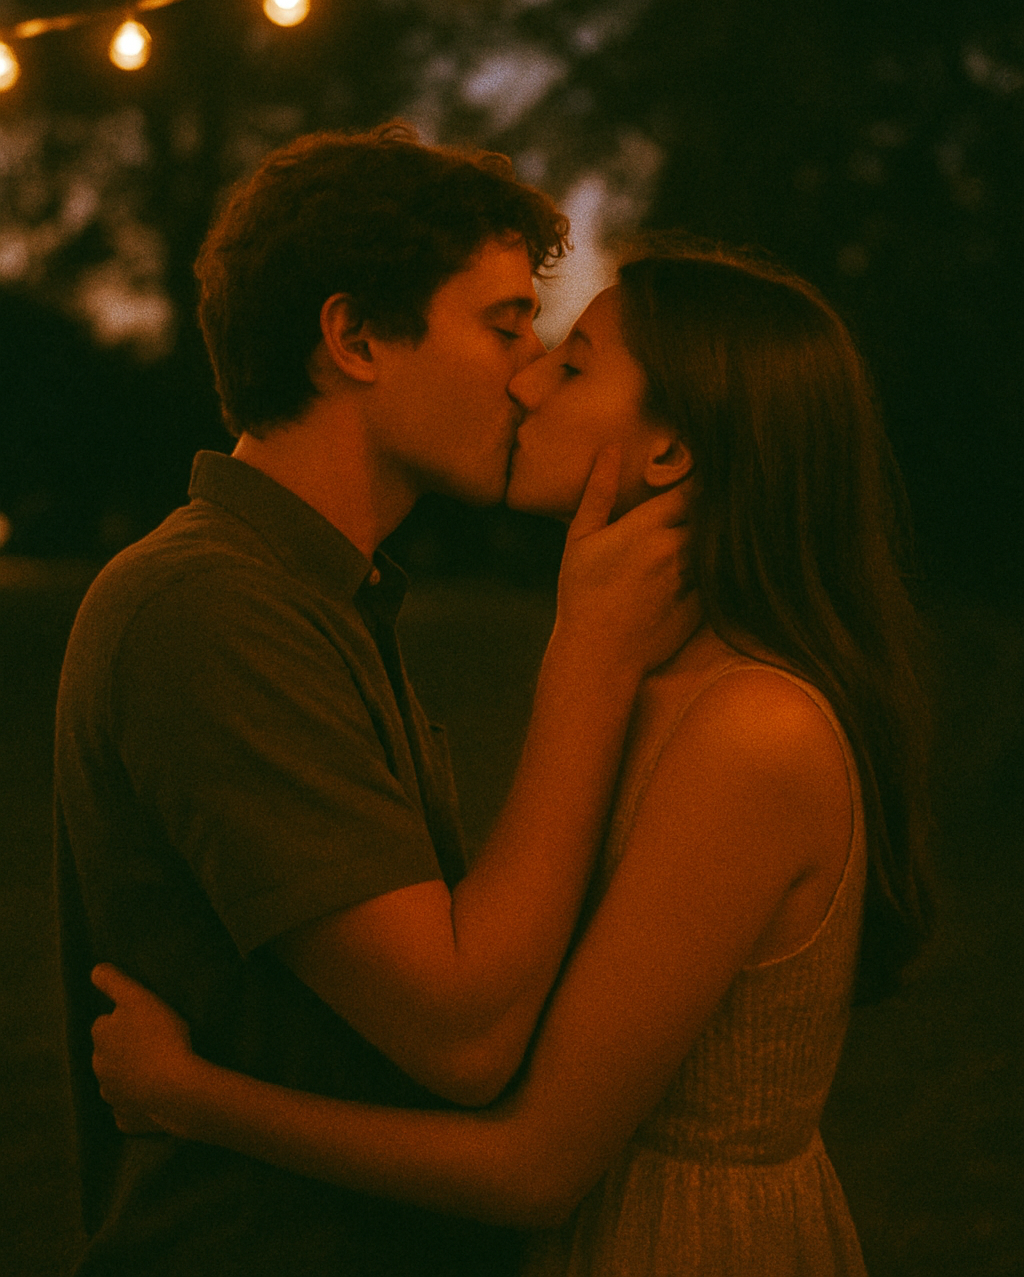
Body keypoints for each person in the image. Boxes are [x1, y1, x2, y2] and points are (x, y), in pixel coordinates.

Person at [91, 245, 934, 1276]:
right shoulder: (643, 680)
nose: (524, 382)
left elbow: (531, 1165)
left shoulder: (750, 730)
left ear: (669, 452)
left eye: (572, 365)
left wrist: (191, 1097)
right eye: (517, 337)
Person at [55, 123, 693, 1276]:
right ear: (353, 337)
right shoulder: (207, 611)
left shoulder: (321, 593)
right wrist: (587, 661)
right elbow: (462, 1034)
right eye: (504, 325)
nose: (532, 371)